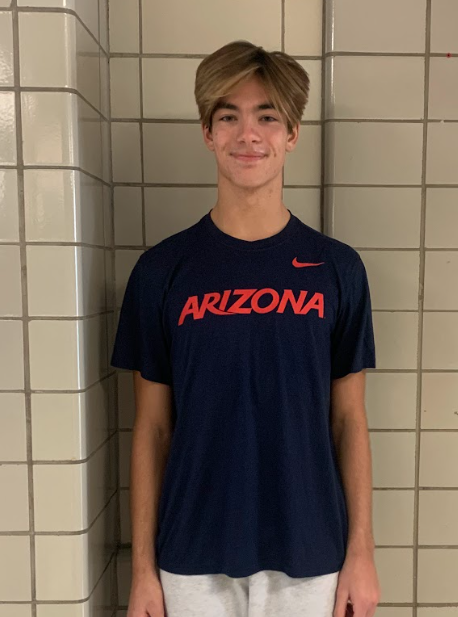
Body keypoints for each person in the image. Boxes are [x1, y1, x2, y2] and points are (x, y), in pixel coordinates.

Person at [111, 40, 381, 617]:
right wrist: (142, 572)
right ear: (208, 133)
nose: (248, 135)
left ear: (292, 134)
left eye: (267, 117)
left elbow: (349, 420)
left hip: (311, 551)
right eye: (228, 116)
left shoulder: (337, 268)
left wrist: (361, 553)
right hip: (190, 553)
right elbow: (152, 429)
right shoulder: (162, 270)